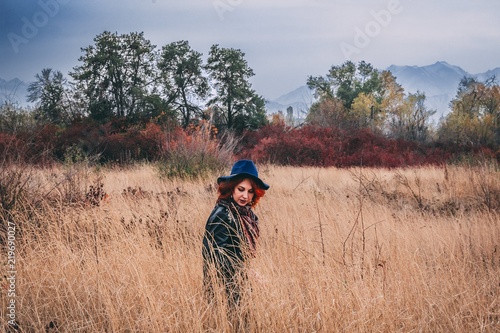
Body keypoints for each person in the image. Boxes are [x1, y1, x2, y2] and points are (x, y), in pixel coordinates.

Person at [202, 159, 269, 311]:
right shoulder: (223, 214)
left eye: (250, 191)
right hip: (223, 290)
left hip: (239, 286)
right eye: (241, 189)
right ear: (231, 189)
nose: (245, 196)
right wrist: (247, 273)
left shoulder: (247, 216)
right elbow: (215, 256)